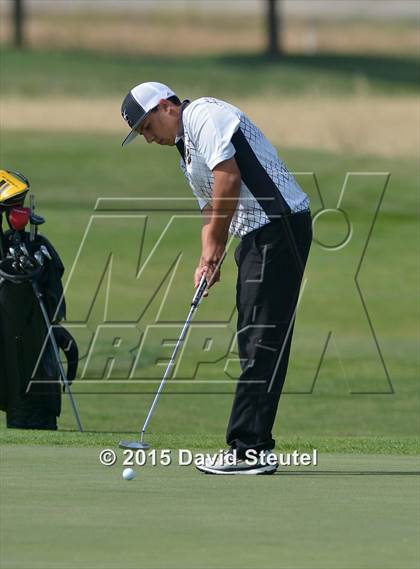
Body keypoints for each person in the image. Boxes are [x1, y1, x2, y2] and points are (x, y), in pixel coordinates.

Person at [121, 82, 312, 475]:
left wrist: (216, 243)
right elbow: (210, 205)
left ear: (165, 106)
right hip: (258, 234)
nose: (148, 137)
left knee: (262, 338)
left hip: (278, 226)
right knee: (253, 336)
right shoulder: (185, 151)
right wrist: (208, 258)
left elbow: (228, 178)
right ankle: (251, 446)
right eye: (141, 133)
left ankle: (250, 449)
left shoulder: (203, 115)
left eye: (147, 126)